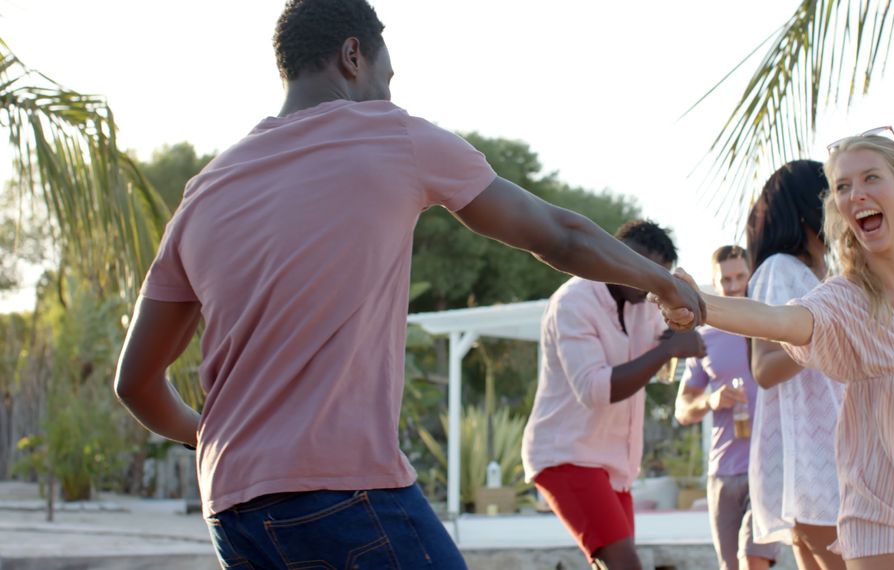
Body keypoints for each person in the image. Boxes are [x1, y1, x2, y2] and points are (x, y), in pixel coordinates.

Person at [111, 1, 704, 568]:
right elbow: (557, 234)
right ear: (352, 55)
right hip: (341, 488)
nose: (388, 95)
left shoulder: (205, 191)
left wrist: (216, 437)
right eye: (386, 78)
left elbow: (135, 382)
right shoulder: (391, 134)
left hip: (233, 512)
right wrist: (661, 283)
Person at [658, 128, 894, 569]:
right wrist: (701, 304)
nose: (856, 194)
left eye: (870, 179)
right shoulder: (844, 295)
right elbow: (782, 321)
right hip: (878, 508)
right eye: (843, 186)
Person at [522, 219, 706, 570]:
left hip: (614, 465)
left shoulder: (645, 304)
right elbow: (595, 390)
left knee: (615, 565)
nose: (644, 280)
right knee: (626, 566)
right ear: (613, 254)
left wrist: (678, 336)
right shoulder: (573, 302)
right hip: (566, 456)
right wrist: (668, 351)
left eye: (657, 274)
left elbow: (659, 366)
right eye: (638, 266)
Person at [743, 161, 845, 570]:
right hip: (807, 457)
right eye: (833, 195)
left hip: (830, 453)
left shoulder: (822, 271)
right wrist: (825, 333)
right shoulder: (779, 270)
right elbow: (764, 367)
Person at [674, 245, 778, 570]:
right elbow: (682, 409)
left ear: (752, 275)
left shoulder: (772, 324)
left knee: (755, 560)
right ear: (715, 283)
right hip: (723, 471)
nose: (733, 286)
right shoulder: (706, 338)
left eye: (740, 277)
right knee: (730, 566)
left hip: (768, 465)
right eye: (726, 279)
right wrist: (710, 400)